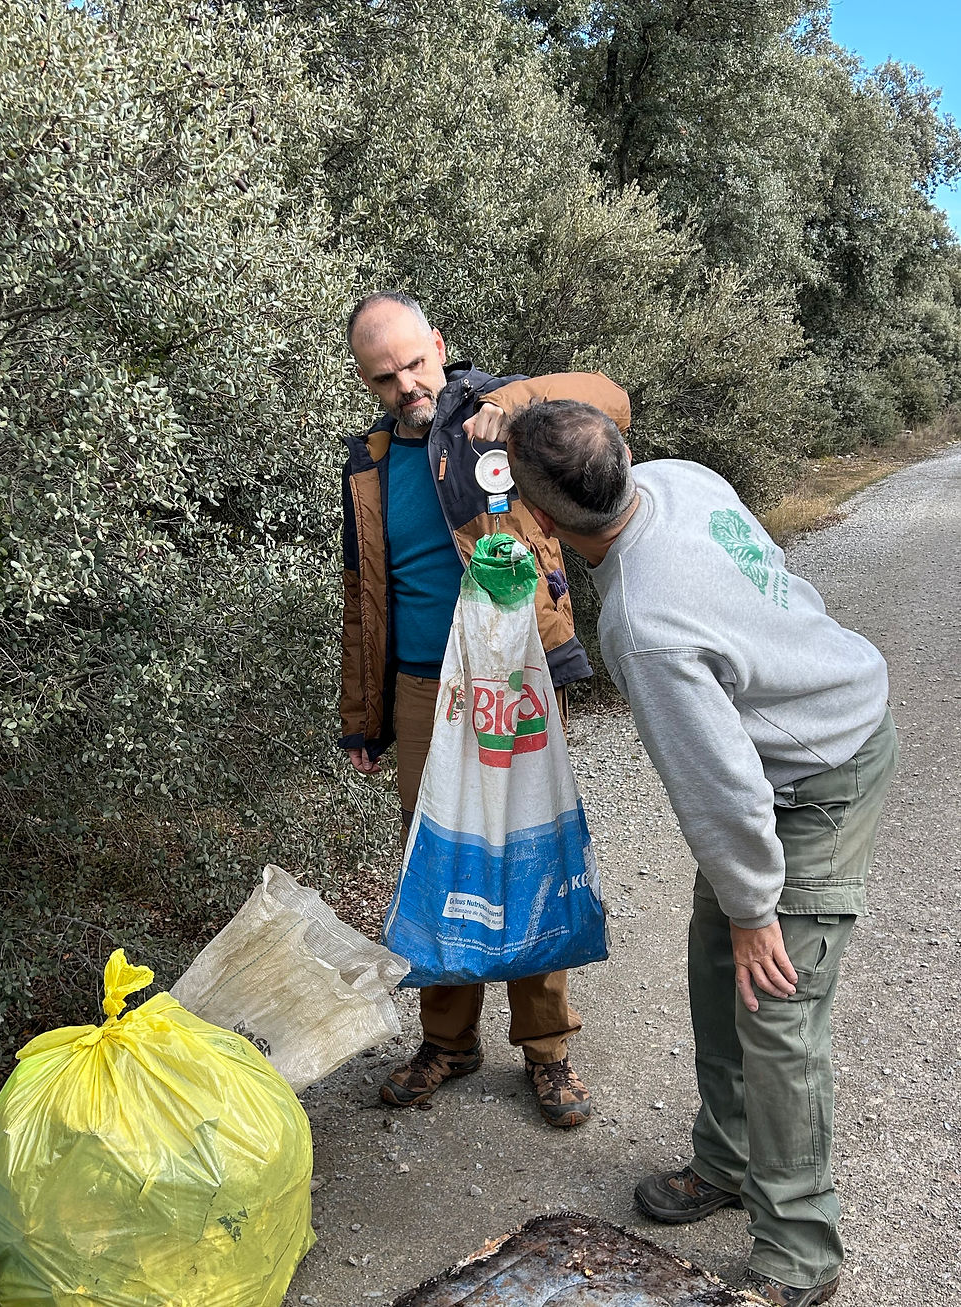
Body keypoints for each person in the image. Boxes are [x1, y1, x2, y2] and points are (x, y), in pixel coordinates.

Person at [499, 398, 897, 1305]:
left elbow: (719, 787)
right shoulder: (679, 479)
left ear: (547, 523)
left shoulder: (644, 620)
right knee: (717, 966)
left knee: (777, 1010)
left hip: (821, 775)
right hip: (791, 749)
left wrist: (758, 909)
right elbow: (774, 578)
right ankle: (727, 1160)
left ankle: (799, 1249)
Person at [339, 292, 630, 1128]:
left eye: (415, 363)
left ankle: (548, 1051)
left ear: (440, 344)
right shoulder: (364, 464)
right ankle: (449, 1040)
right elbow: (361, 596)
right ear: (366, 380)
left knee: (531, 842)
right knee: (438, 859)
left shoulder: (496, 409)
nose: (406, 385)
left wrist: (510, 406)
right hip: (424, 686)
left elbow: (609, 397)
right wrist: (363, 716)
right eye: (384, 376)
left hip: (516, 673)